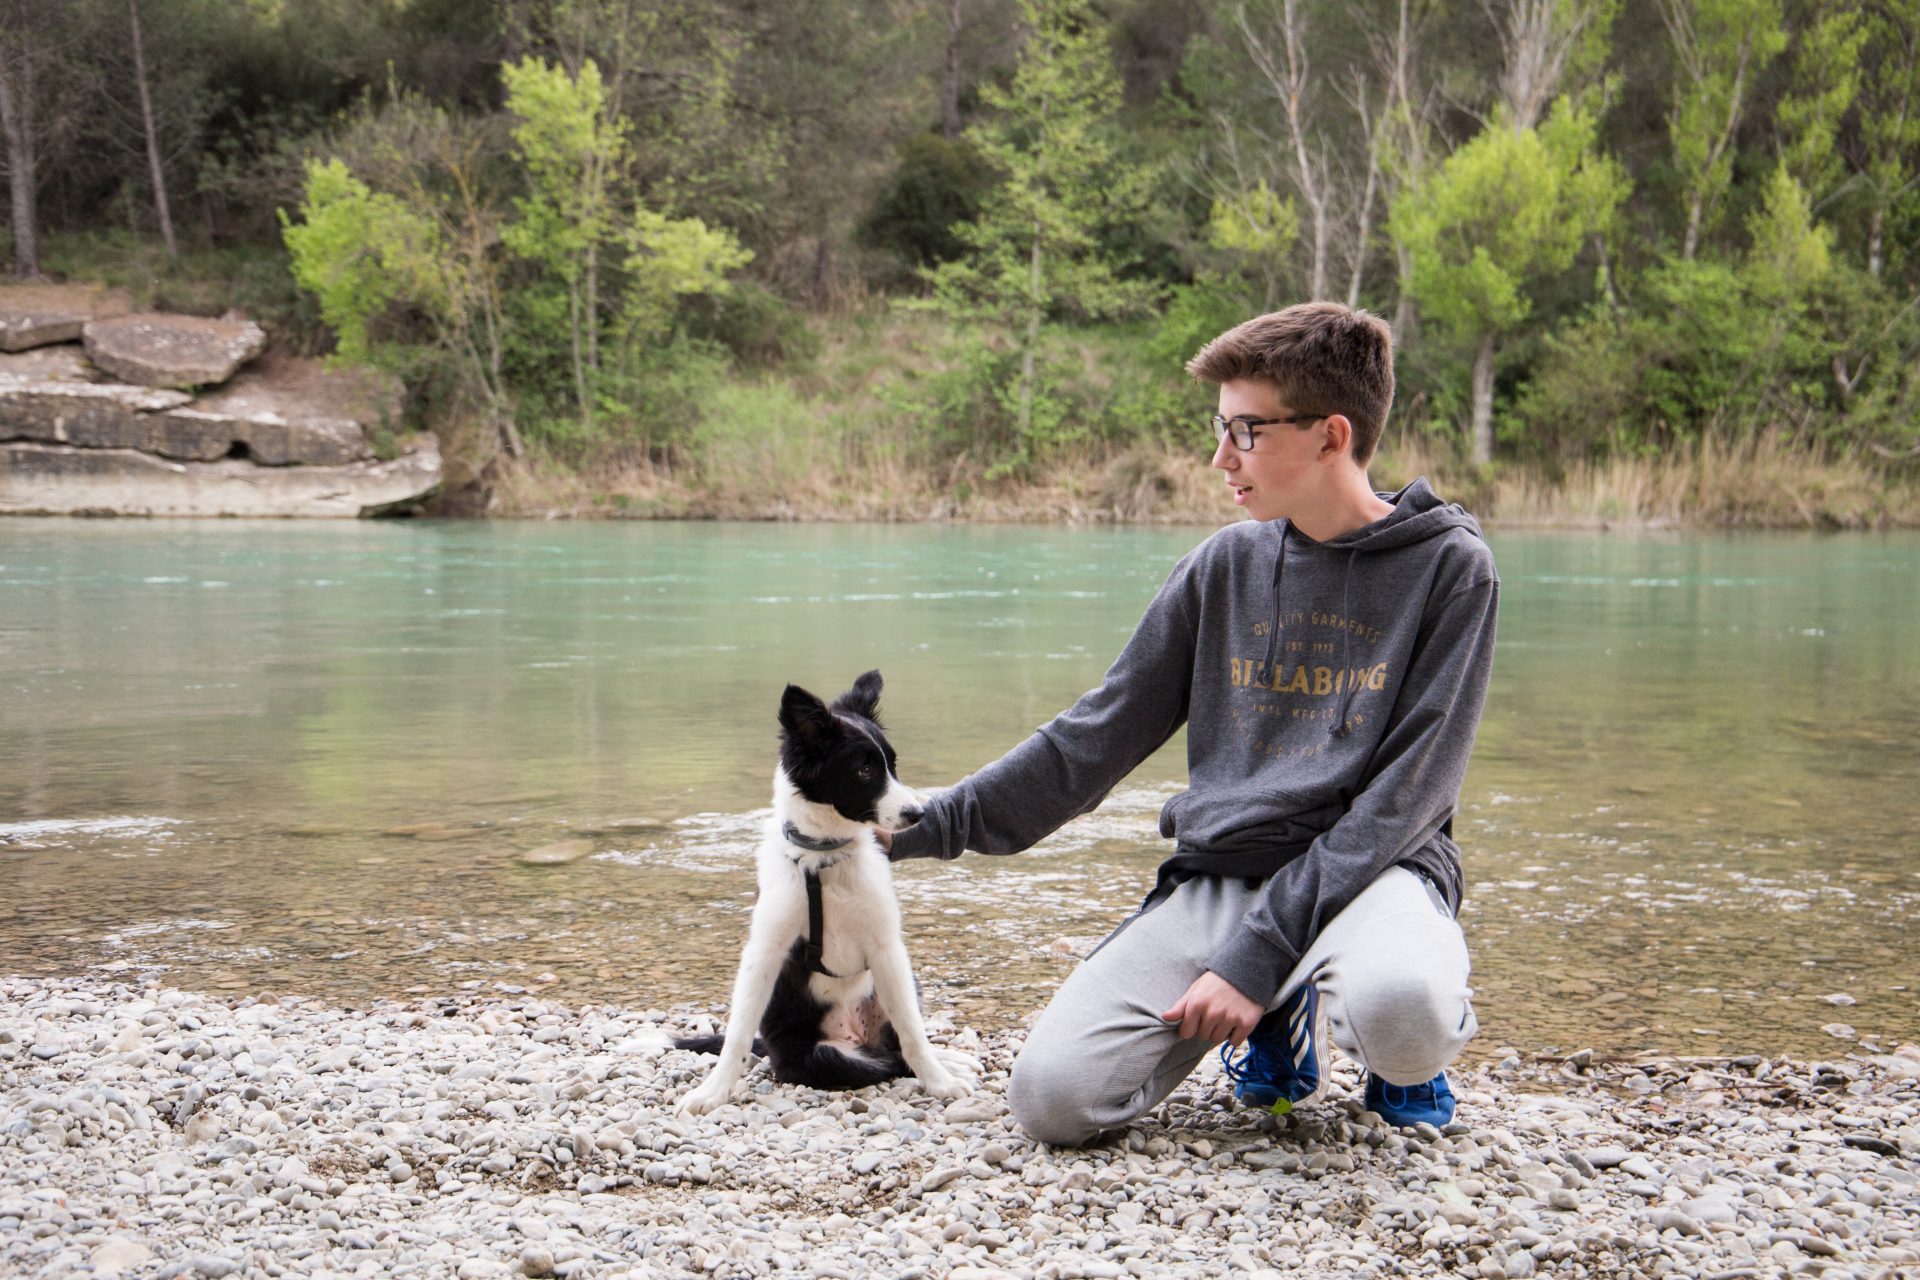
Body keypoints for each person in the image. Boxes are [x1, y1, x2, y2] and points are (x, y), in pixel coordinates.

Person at [881, 302, 1498, 1147]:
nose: (1220, 458)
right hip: (1223, 876)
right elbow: (1093, 738)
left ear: (1331, 435)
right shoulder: (1223, 566)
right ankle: (1280, 1011)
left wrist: (1253, 958)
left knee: (1404, 1012)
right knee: (1053, 1101)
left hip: (1375, 874)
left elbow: (1405, 801)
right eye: (1220, 429)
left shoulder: (1450, 569)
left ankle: (1383, 1050)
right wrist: (916, 826)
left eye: (1246, 431)